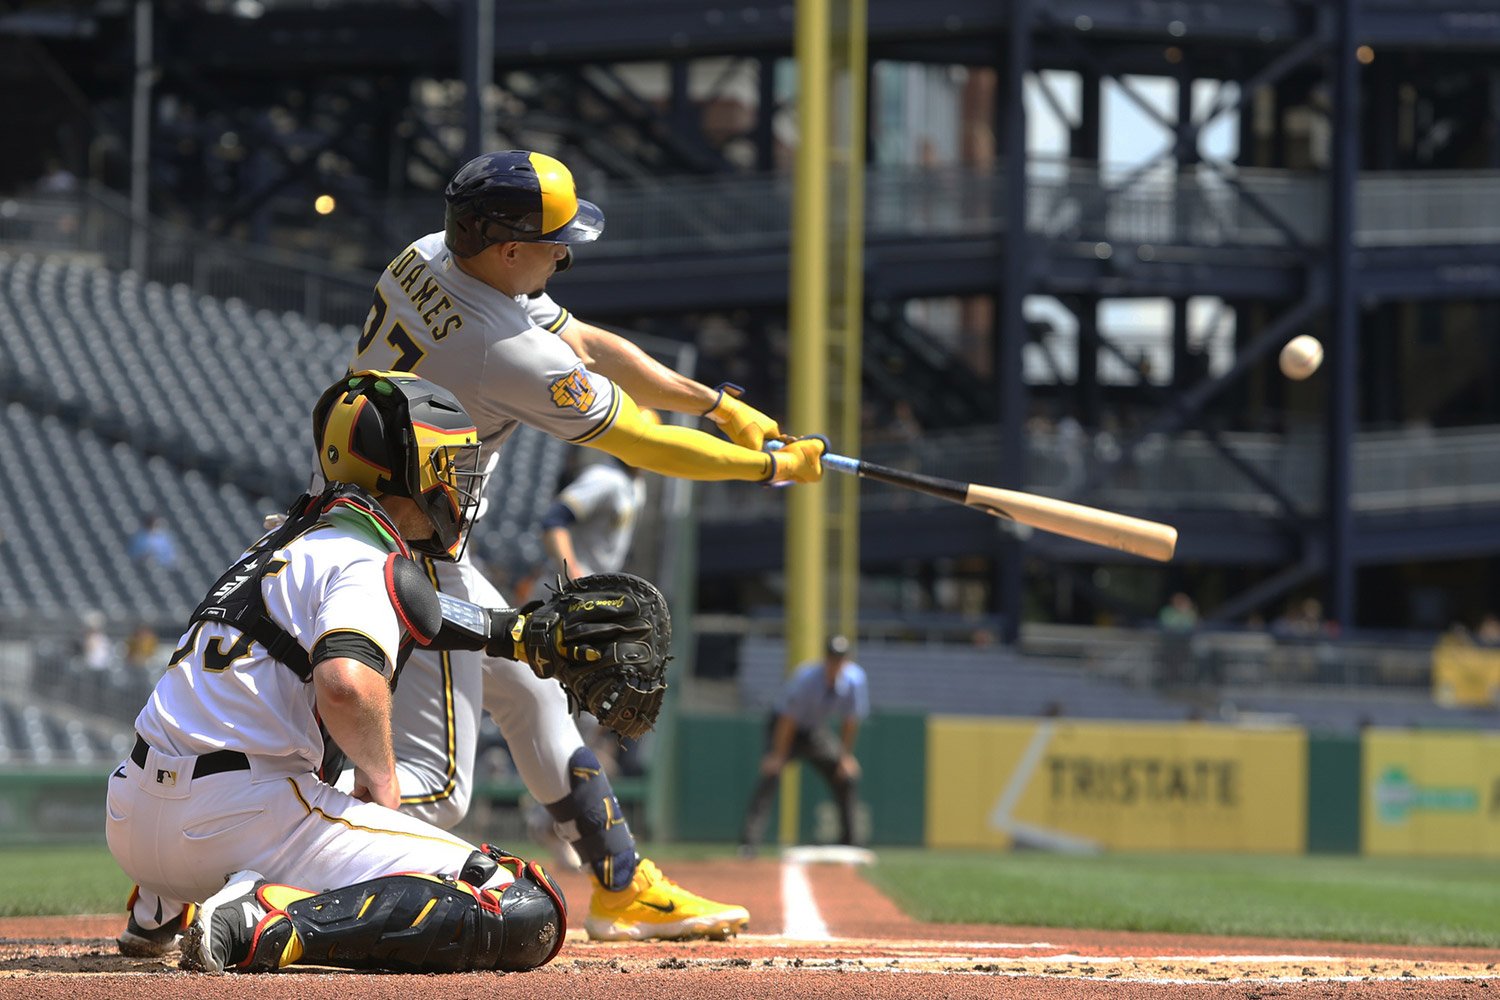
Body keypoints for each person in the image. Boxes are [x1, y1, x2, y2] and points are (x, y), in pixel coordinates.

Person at [338, 148, 826, 941]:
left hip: (381, 525)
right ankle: (258, 849)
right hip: (406, 557)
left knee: (533, 694)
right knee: (439, 792)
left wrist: (715, 404)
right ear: (507, 250)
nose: (565, 254)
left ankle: (621, 882)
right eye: (555, 242)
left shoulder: (430, 255)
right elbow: (642, 445)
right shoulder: (504, 347)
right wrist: (766, 465)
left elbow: (591, 345)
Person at [109, 371, 566, 974]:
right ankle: (262, 920)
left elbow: (419, 613)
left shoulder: (278, 543)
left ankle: (158, 908)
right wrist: (383, 778)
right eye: (450, 462)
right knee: (524, 905)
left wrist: (516, 631)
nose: (460, 481)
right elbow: (346, 682)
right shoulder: (364, 557)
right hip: (242, 817)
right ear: (414, 470)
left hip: (132, 817)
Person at [739, 634, 869, 856]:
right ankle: (749, 843)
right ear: (825, 658)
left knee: (845, 776)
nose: (835, 664)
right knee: (771, 774)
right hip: (784, 728)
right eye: (832, 658)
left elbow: (850, 720)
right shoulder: (807, 679)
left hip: (814, 731)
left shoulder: (855, 680)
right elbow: (787, 720)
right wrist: (778, 755)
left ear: (846, 661)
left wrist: (845, 756)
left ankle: (849, 843)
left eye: (840, 659)